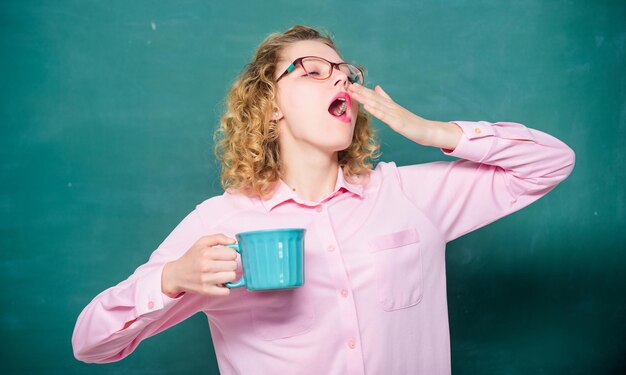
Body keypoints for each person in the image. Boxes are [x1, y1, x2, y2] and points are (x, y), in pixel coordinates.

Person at [72, 25, 575, 374]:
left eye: (345, 73)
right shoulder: (217, 223)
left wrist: (429, 131)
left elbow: (552, 162)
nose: (340, 79)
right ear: (269, 105)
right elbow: (91, 343)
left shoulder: (408, 195)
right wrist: (172, 278)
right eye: (313, 70)